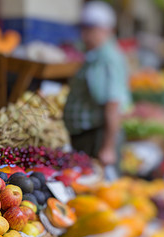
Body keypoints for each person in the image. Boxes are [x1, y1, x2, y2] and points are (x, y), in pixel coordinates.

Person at [63, 1, 130, 172]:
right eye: (83, 29)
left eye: (89, 29)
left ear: (105, 30)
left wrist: (107, 148)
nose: (84, 35)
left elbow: (112, 104)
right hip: (87, 136)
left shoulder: (106, 58)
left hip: (98, 137)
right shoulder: (94, 55)